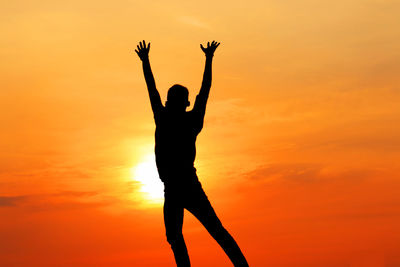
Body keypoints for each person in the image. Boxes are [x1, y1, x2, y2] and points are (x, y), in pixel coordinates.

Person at [135, 40, 249, 267]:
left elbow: (155, 90)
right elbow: (201, 92)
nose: (167, 102)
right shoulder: (180, 118)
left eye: (170, 99)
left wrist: (146, 62)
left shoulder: (169, 118)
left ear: (175, 103)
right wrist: (208, 60)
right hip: (178, 188)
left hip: (185, 186)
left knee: (196, 233)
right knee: (191, 234)